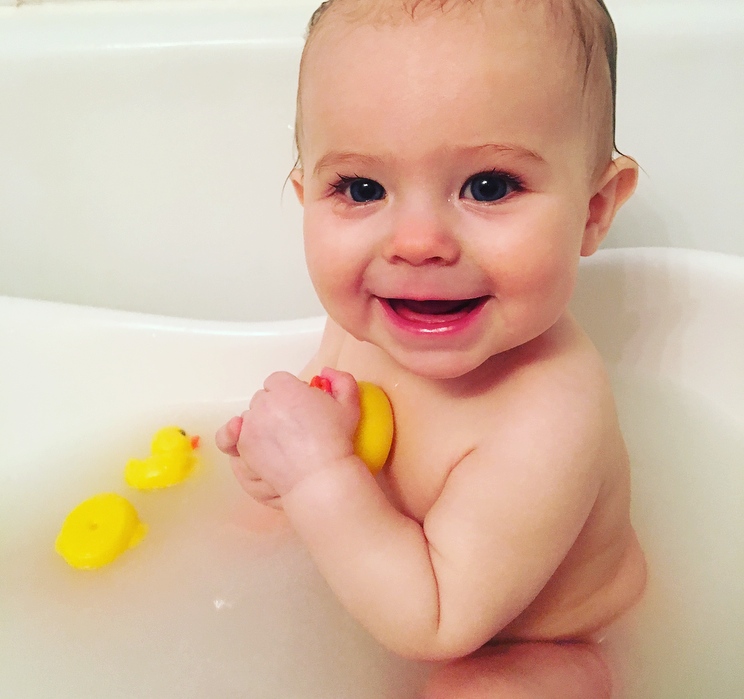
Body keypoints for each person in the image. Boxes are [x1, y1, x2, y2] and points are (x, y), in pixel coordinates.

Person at [216, 0, 647, 696]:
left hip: (542, 641)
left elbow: (439, 621)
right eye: (362, 188)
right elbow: (325, 422)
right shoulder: (366, 322)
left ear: (593, 210)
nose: (417, 244)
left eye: (488, 185)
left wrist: (315, 475)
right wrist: (273, 468)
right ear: (305, 196)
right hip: (394, 578)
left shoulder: (549, 406)